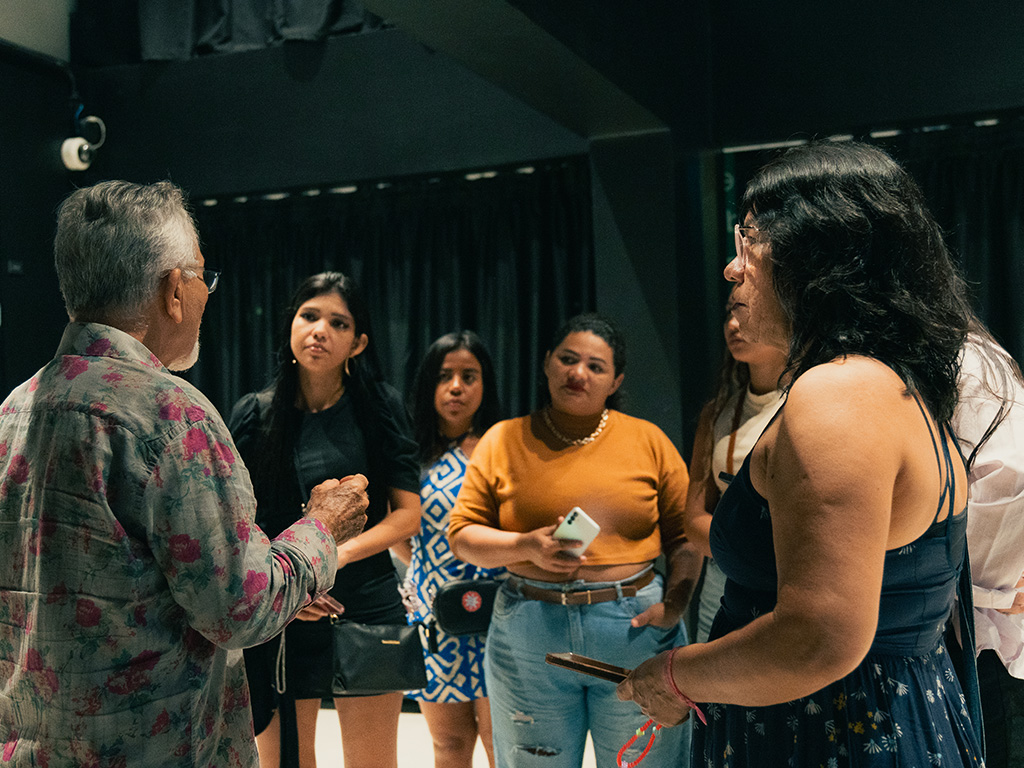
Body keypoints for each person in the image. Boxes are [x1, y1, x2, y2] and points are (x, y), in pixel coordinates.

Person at [617, 141, 985, 766]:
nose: (732, 270)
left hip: (835, 732)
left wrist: (673, 675)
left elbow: (818, 637)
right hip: (889, 714)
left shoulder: (839, 391)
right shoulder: (892, 383)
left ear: (821, 252)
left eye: (750, 241)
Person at [0, 181, 369, 767]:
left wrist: (270, 576)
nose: (205, 295)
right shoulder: (171, 415)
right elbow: (239, 610)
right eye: (204, 279)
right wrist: (322, 527)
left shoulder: (14, 409)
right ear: (175, 290)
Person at [449, 313, 702, 768]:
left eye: (595, 366)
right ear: (547, 364)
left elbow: (684, 540)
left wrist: (677, 606)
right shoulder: (503, 439)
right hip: (529, 631)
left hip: (634, 627)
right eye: (567, 359)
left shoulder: (649, 440)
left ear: (615, 380)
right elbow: (462, 537)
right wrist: (526, 546)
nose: (577, 373)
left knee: (645, 762)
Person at [229, 271, 421, 768]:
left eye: (338, 322)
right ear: (291, 325)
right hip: (284, 611)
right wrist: (295, 579)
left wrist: (325, 559)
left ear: (358, 342)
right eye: (309, 316)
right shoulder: (255, 413)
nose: (319, 330)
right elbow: (238, 523)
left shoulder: (381, 408)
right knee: (283, 763)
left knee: (373, 762)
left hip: (364, 605)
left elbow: (406, 517)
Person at [396, 330, 505, 768]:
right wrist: (427, 573)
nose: (456, 386)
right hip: (434, 616)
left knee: (504, 744)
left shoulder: (504, 444)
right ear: (429, 384)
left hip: (498, 615)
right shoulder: (409, 452)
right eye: (445, 376)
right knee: (449, 746)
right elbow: (401, 534)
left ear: (486, 384)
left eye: (469, 375)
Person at [684, 293, 786, 643]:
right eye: (729, 312)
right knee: (708, 691)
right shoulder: (718, 412)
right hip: (722, 575)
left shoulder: (811, 406)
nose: (731, 324)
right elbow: (693, 518)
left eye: (745, 311)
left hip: (784, 582)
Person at [949, 322, 1024, 767]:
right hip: (958, 636)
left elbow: (1009, 479)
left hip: (986, 645)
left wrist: (987, 588)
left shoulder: (967, 360)